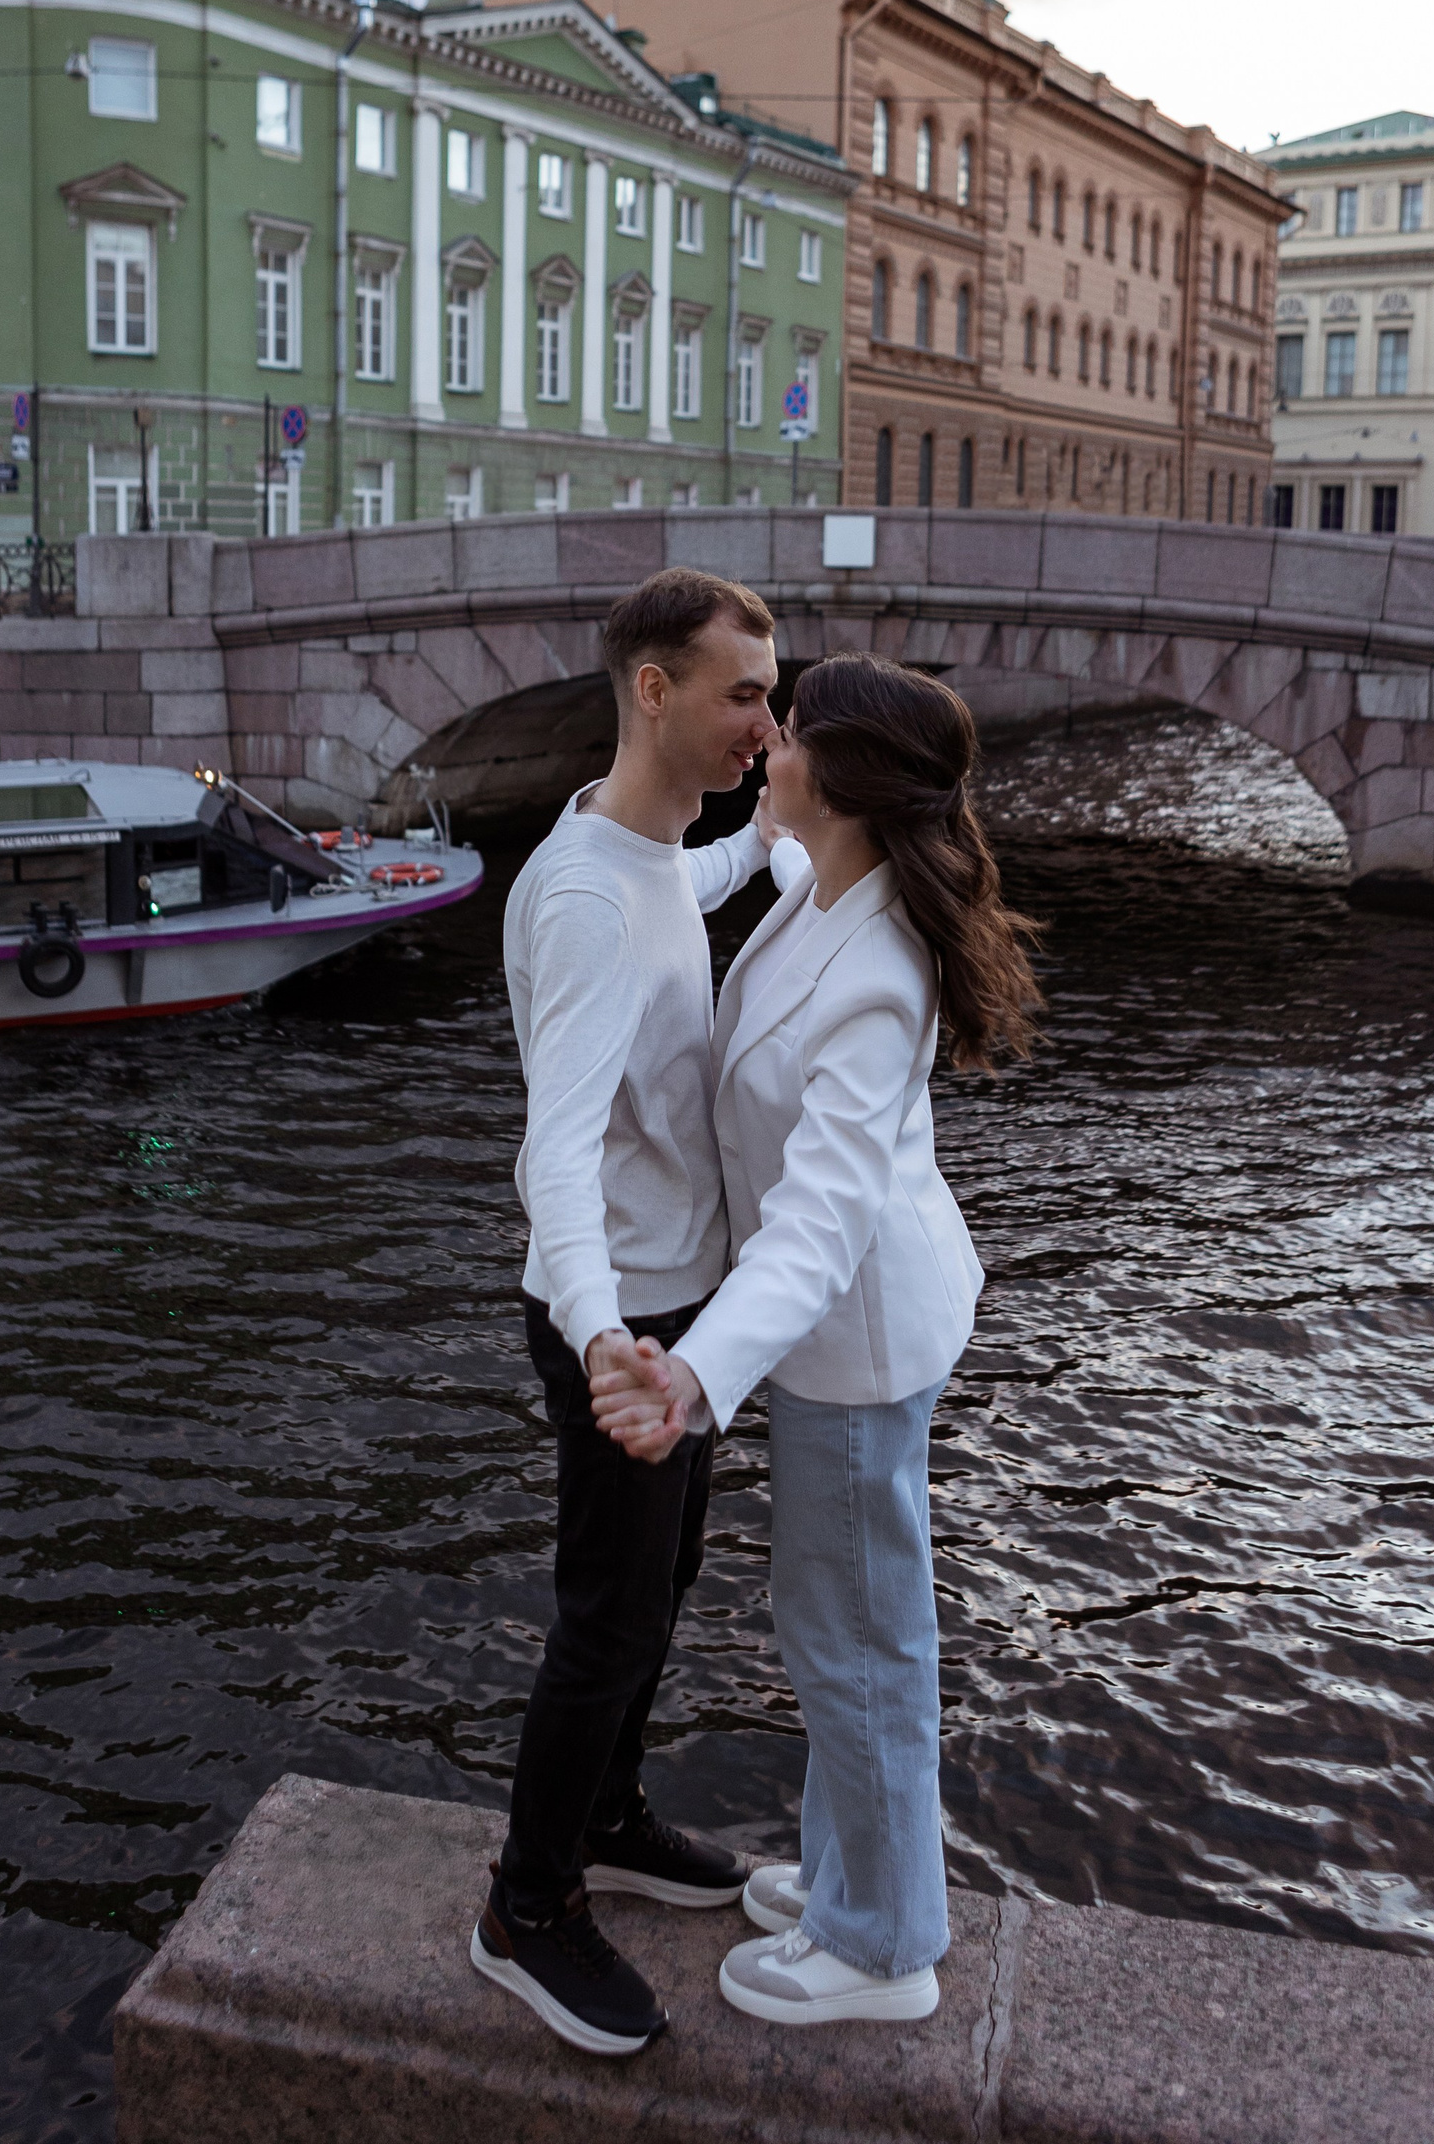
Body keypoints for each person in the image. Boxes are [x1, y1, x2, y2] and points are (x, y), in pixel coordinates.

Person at [592, 649, 1039, 2028]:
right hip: (844, 1330)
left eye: (785, 735)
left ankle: (883, 1944)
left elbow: (818, 1226)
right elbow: (768, 868)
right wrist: (627, 844)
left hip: (854, 1339)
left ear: (837, 780)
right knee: (846, 1619)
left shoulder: (879, 974)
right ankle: (855, 1875)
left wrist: (695, 1375)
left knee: (856, 1639)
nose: (765, 750)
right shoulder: (834, 880)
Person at [471, 566, 800, 2059]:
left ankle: (604, 1817)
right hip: (628, 1324)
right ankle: (527, 1907)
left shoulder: (644, 853)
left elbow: (689, 891)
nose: (767, 725)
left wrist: (766, 853)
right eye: (745, 696)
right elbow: (555, 1149)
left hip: (674, 1306)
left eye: (772, 698)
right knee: (608, 1620)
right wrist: (606, 1336)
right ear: (654, 691)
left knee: (657, 1592)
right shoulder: (592, 901)